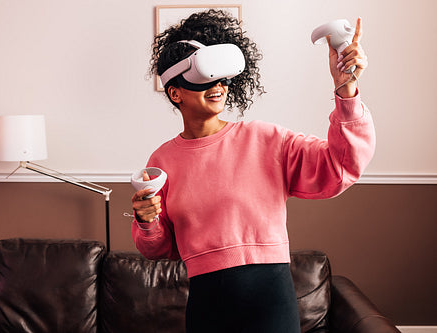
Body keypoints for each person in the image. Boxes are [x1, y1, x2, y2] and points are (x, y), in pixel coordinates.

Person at [131, 10, 374, 333]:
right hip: (206, 305)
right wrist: (146, 221)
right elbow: (160, 249)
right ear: (175, 93)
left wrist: (346, 90)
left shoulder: (265, 140)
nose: (218, 85)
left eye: (221, 78)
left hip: (270, 300)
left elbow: (339, 167)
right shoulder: (162, 160)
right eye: (204, 78)